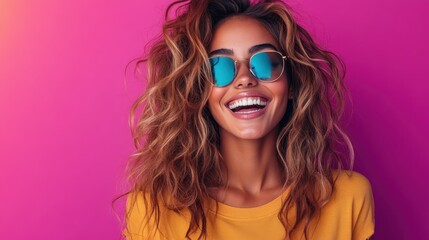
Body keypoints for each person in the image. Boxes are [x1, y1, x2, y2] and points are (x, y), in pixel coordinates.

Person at [123, 0, 375, 239]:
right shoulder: (150, 210)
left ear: (292, 85)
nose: (244, 78)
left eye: (264, 62)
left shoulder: (347, 198)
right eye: (219, 67)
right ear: (199, 91)